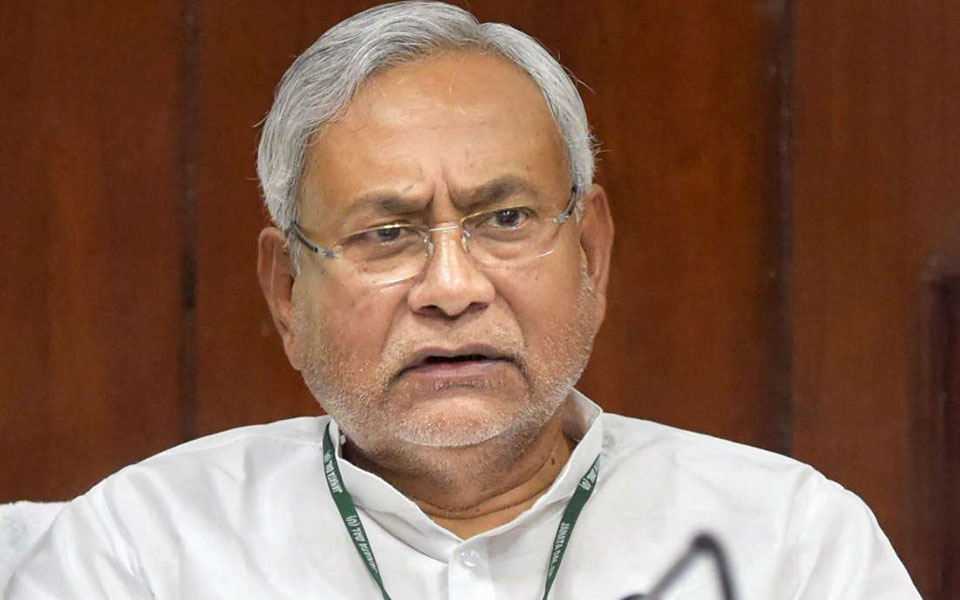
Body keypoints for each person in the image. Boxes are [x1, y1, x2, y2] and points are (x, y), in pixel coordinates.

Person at [6, 2, 921, 598]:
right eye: (386, 232)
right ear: (287, 290)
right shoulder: (145, 551)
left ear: (592, 252)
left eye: (506, 219)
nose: (452, 288)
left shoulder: (787, 547)